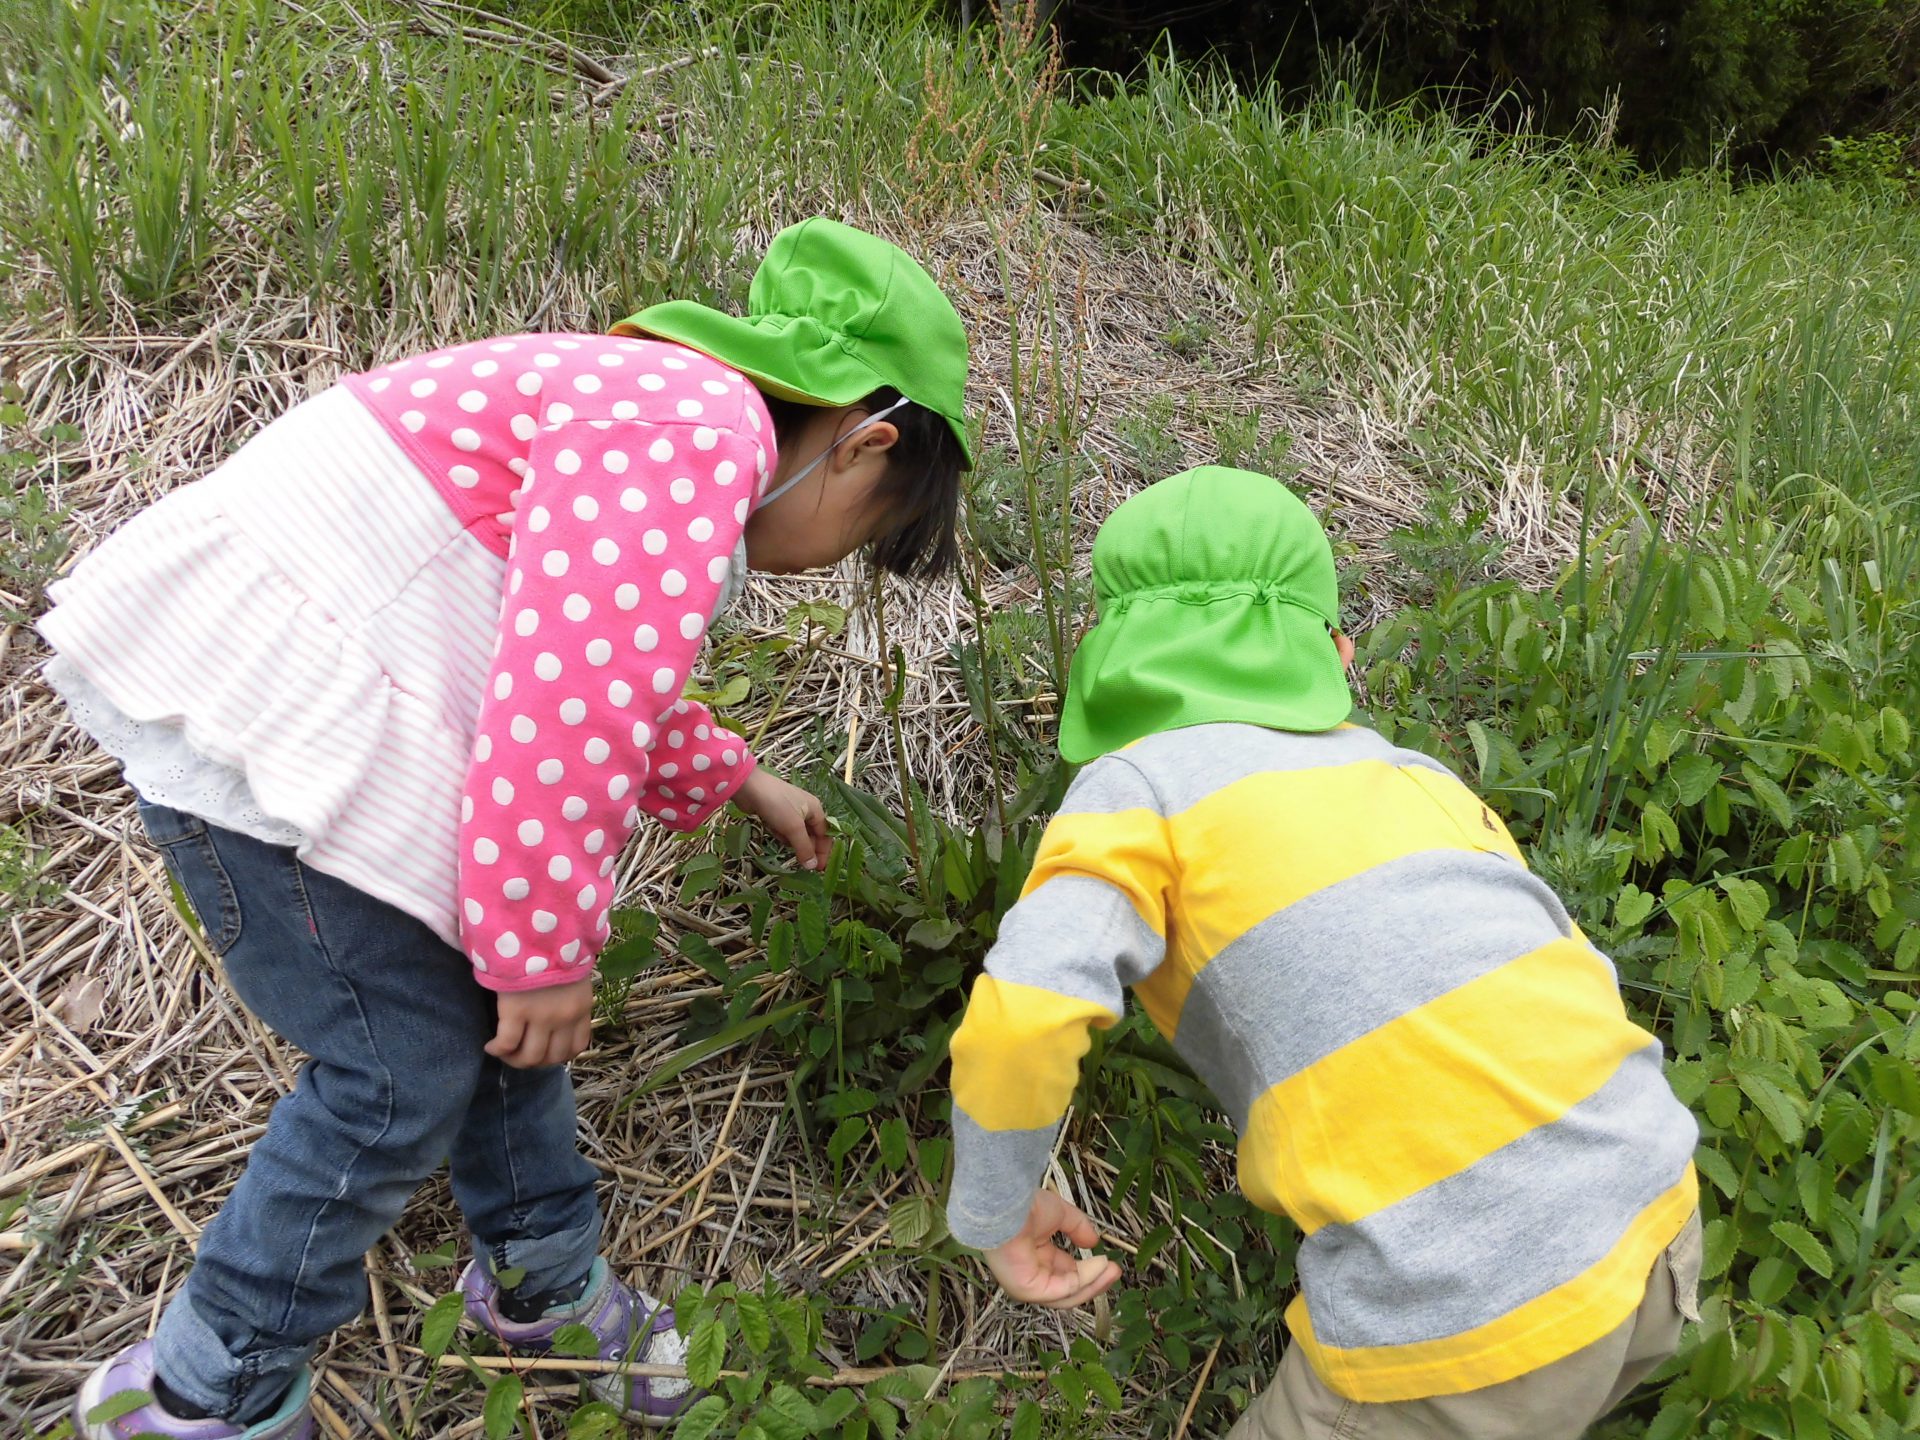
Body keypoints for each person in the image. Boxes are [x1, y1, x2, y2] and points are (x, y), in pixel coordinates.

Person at [51, 217, 972, 1439]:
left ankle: (543, 1276)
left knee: (489, 1016)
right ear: (863, 443)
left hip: (270, 704)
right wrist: (543, 947)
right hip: (262, 744)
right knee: (400, 1071)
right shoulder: (702, 430)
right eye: (866, 534)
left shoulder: (654, 407)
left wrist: (740, 779)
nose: (828, 563)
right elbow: (566, 709)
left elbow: (590, 665)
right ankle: (206, 1382)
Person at [943, 466, 1702, 1440]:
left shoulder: (1140, 785)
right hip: (1657, 1216)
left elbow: (1023, 1015)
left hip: (1464, 1304)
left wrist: (998, 1210)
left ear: (1102, 661)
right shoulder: (1419, 778)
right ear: (1340, 654)